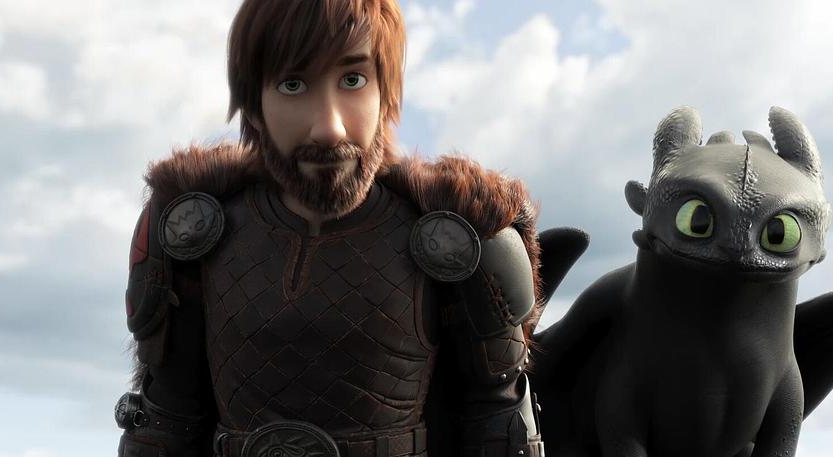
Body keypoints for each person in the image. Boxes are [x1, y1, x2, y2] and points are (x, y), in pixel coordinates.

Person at [113, 1, 546, 456]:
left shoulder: (464, 235)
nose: (329, 129)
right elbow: (165, 423)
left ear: (386, 92)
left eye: (353, 80)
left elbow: (500, 423)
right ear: (254, 105)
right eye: (293, 84)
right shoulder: (191, 233)